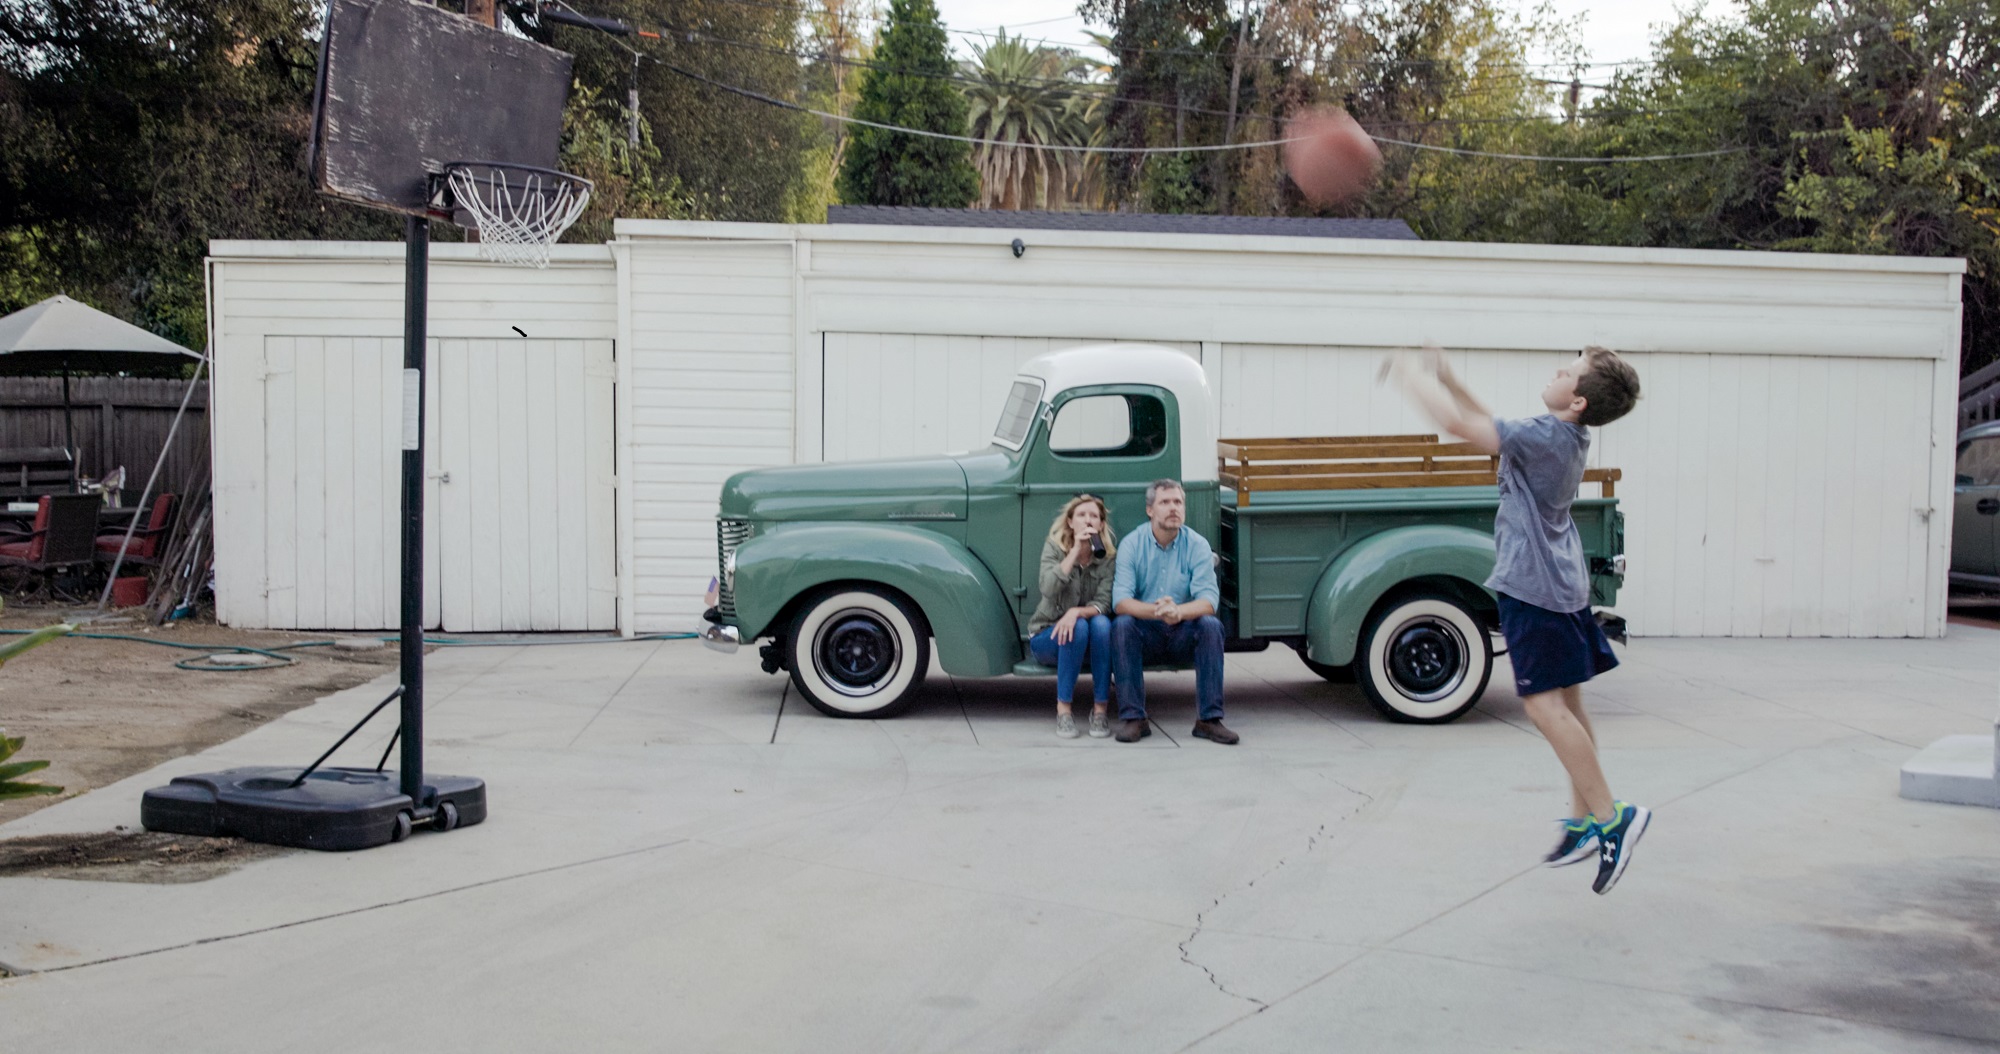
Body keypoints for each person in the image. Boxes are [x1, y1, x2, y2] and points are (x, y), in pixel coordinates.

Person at [1388, 342, 1647, 894]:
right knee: (1570, 705)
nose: (1558, 370)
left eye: (1569, 371)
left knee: (1543, 706)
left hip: (1534, 586)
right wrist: (1452, 377)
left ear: (1576, 401)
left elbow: (1461, 426)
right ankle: (1583, 821)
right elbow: (1485, 419)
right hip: (1561, 580)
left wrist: (1409, 378)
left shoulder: (1546, 436)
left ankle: (1610, 818)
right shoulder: (1562, 435)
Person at [1109, 479, 1234, 745]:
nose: (1173, 508)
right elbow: (1120, 601)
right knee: (1122, 625)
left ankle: (1208, 720)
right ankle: (1134, 719)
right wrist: (1158, 612)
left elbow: (1209, 601)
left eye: (1178, 502)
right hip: (1148, 633)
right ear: (1150, 510)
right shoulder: (1133, 544)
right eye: (1165, 502)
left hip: (1182, 631)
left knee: (1211, 626)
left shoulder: (1197, 545)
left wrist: (1178, 612)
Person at [1028, 494, 1117, 739]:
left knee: (1099, 623)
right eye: (1081, 515)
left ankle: (1100, 711)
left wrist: (1076, 612)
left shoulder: (1108, 557)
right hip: (1048, 635)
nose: (1088, 520)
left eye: (1094, 516)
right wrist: (1076, 550)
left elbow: (1104, 603)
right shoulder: (1054, 548)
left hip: (1090, 638)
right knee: (1078, 628)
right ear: (1070, 522)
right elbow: (1047, 588)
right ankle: (1064, 711)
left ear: (1101, 524)